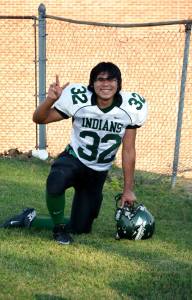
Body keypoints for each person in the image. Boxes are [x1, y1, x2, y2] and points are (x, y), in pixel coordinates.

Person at [0, 62, 148, 245]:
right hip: (74, 159)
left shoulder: (130, 108)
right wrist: (50, 100)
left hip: (98, 172)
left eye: (111, 79)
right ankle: (58, 229)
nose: (105, 84)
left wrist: (127, 189)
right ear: (92, 84)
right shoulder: (80, 100)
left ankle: (28, 218)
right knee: (56, 181)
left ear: (119, 84)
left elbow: (128, 150)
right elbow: (39, 118)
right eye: (100, 80)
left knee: (80, 229)